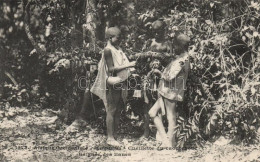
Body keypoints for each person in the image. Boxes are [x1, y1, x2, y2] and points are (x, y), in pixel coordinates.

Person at [90, 26, 136, 146]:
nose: (120, 40)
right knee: (111, 109)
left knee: (119, 109)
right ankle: (110, 138)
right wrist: (129, 65)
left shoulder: (118, 48)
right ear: (110, 38)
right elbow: (111, 69)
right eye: (118, 38)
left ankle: (114, 136)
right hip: (113, 82)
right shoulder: (108, 50)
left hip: (121, 81)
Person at [148, 33, 190, 147]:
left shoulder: (183, 60)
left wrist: (159, 73)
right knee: (152, 113)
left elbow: (170, 76)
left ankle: (170, 143)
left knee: (170, 117)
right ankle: (166, 140)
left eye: (175, 46)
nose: (173, 48)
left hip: (171, 92)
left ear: (180, 46)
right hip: (166, 91)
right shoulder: (182, 57)